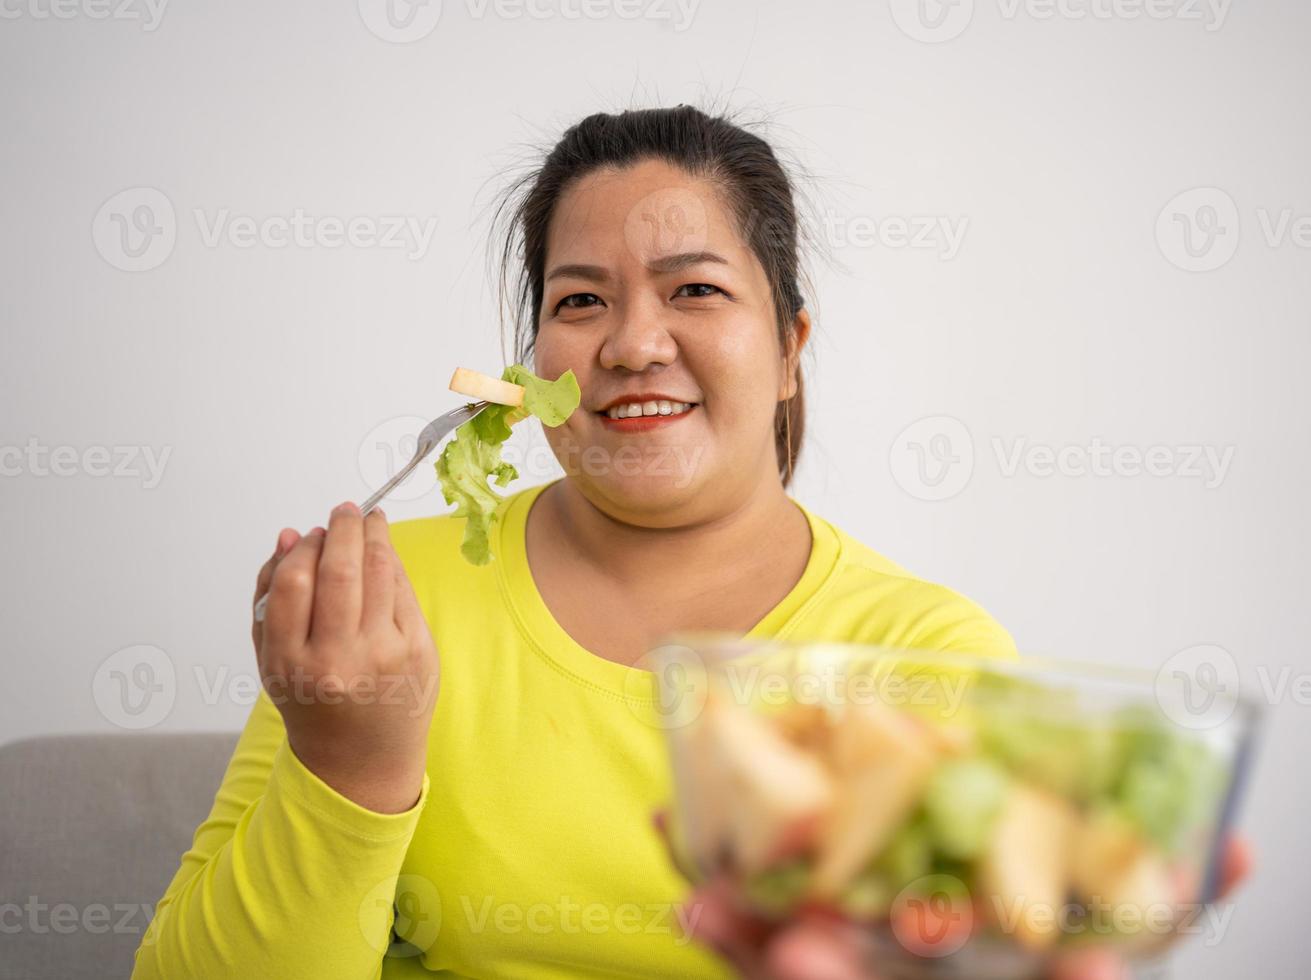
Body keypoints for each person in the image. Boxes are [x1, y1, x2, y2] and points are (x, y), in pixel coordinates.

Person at [134, 105, 1247, 980]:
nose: (632, 342)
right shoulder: (390, 602)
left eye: (696, 289)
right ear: (528, 361)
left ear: (791, 345)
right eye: (580, 300)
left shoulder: (917, 649)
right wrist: (351, 763)